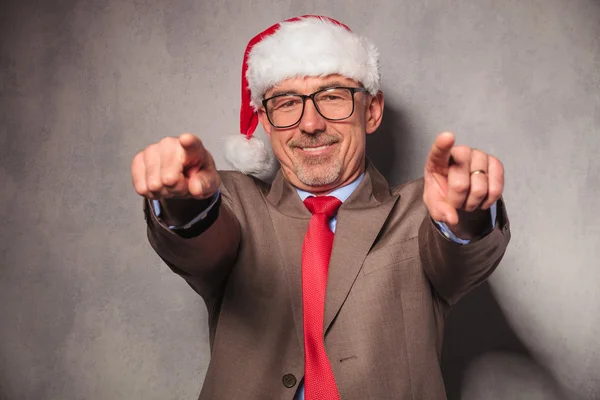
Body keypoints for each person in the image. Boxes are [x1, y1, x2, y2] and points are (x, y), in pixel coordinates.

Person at [131, 15, 510, 400]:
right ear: (265, 120)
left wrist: (467, 215)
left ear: (372, 110)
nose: (310, 123)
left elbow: (460, 257)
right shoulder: (234, 203)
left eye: (332, 96)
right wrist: (184, 205)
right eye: (286, 102)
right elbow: (204, 239)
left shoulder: (419, 210)